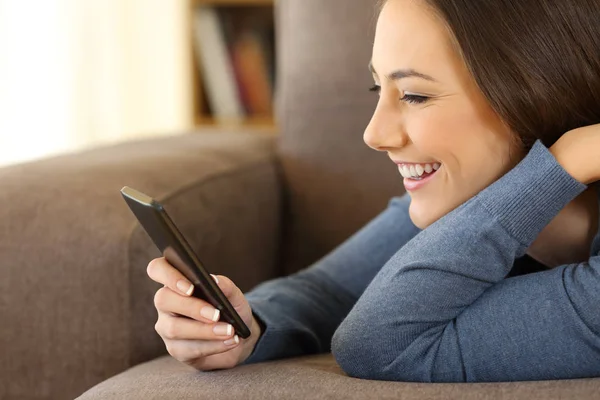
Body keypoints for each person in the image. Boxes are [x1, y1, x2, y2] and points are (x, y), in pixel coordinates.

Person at [145, 0, 600, 382]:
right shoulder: (467, 200)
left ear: (540, 95)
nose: (374, 134)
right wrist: (246, 326)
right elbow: (328, 288)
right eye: (377, 88)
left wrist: (561, 166)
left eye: (415, 96)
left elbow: (379, 343)